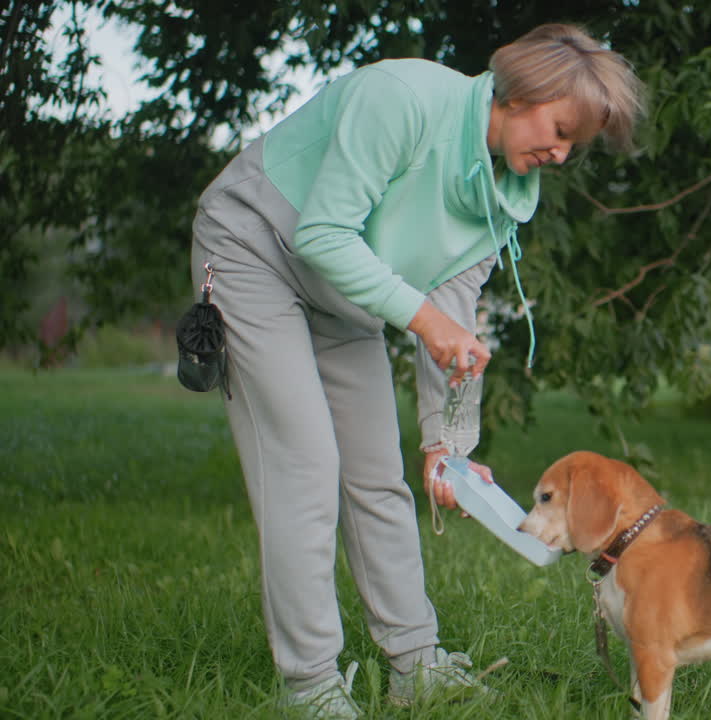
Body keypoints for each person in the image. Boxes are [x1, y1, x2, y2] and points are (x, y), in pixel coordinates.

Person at [188, 23, 644, 718]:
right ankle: (309, 685)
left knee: (377, 475)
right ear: (524, 91)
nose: (559, 152)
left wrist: (448, 447)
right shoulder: (401, 98)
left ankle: (416, 665)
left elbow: (453, 320)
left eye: (572, 145)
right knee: (305, 464)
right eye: (559, 129)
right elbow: (323, 232)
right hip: (258, 249)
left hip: (343, 294)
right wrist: (426, 320)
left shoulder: (506, 197)